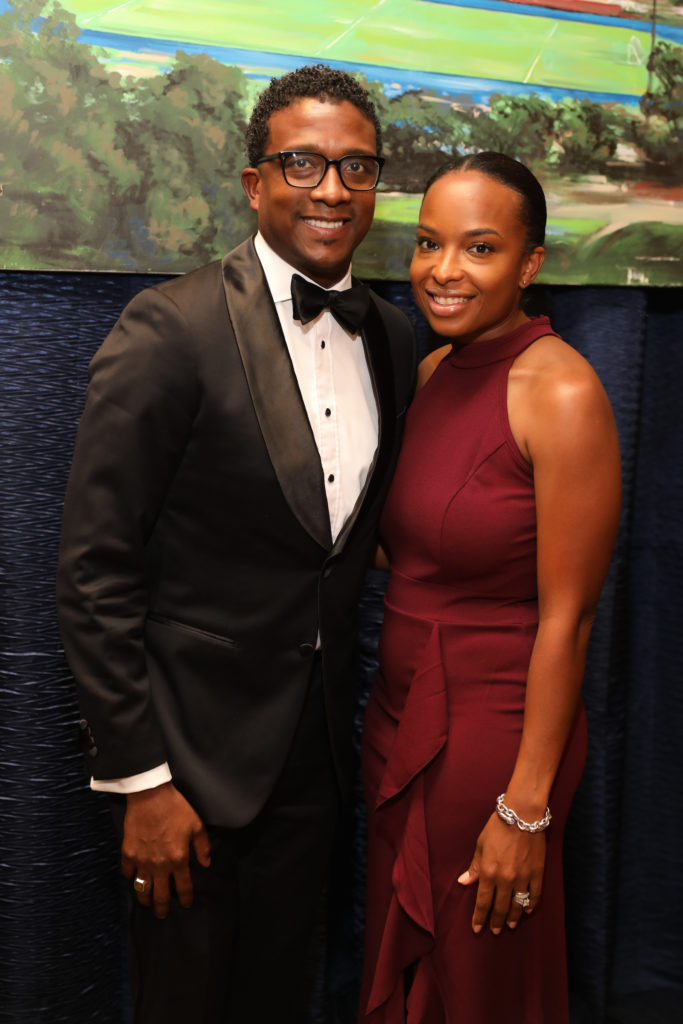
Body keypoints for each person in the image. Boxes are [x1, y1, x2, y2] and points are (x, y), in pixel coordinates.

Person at [56, 63, 416, 1024]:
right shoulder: (168, 330)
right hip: (185, 764)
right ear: (254, 183)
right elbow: (94, 572)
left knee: (276, 999)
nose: (331, 189)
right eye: (301, 163)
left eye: (355, 166)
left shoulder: (391, 337)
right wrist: (142, 780)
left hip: (318, 760)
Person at [358, 152, 621, 1023]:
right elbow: (415, 552)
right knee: (407, 966)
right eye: (428, 243)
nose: (443, 270)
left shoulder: (562, 390)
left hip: (494, 738)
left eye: (478, 248)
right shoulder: (433, 374)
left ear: (529, 262)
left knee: (473, 982)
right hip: (397, 717)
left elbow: (568, 620)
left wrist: (525, 808)